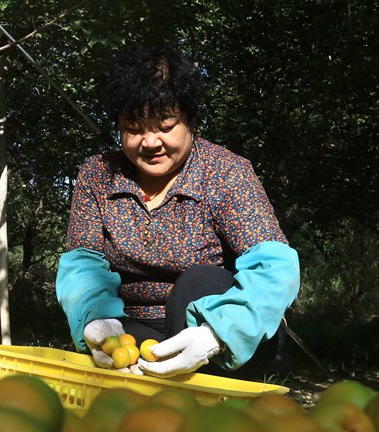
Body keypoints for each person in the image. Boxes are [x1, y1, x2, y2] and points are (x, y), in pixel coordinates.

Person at [55, 46, 300, 379]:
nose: (150, 142)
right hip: (137, 328)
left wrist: (217, 333)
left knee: (200, 281)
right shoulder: (97, 176)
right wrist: (96, 318)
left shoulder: (226, 173)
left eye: (165, 126)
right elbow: (83, 265)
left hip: (220, 330)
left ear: (191, 121)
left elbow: (273, 268)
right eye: (134, 127)